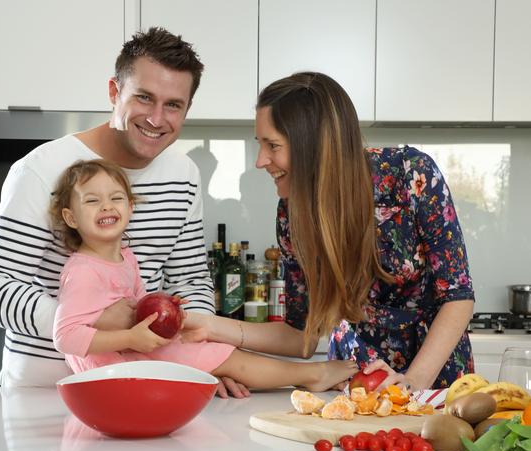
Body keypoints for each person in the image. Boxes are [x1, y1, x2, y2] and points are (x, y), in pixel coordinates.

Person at [0, 27, 244, 395]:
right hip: (45, 389)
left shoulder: (184, 176)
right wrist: (93, 323)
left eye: (173, 105)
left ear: (187, 109)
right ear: (115, 91)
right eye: (144, 98)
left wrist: (202, 358)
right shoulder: (42, 169)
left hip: (142, 385)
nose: (157, 118)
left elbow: (190, 281)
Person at [183, 72, 475, 391]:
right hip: (354, 384)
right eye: (260, 144)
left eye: (273, 145)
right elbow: (300, 337)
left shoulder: (411, 175)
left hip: (434, 383)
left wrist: (412, 384)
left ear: (315, 146)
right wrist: (209, 327)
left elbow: (457, 296)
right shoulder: (291, 213)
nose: (260, 160)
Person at [49, 159, 358, 391]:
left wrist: (161, 304)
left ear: (130, 208)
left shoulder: (125, 258)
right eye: (92, 200)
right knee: (223, 355)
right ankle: (312, 375)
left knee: (220, 354)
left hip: (133, 360)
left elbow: (134, 304)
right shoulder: (83, 270)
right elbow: (66, 336)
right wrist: (131, 337)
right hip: (112, 373)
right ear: (70, 217)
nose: (106, 206)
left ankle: (310, 375)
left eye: (115, 198)